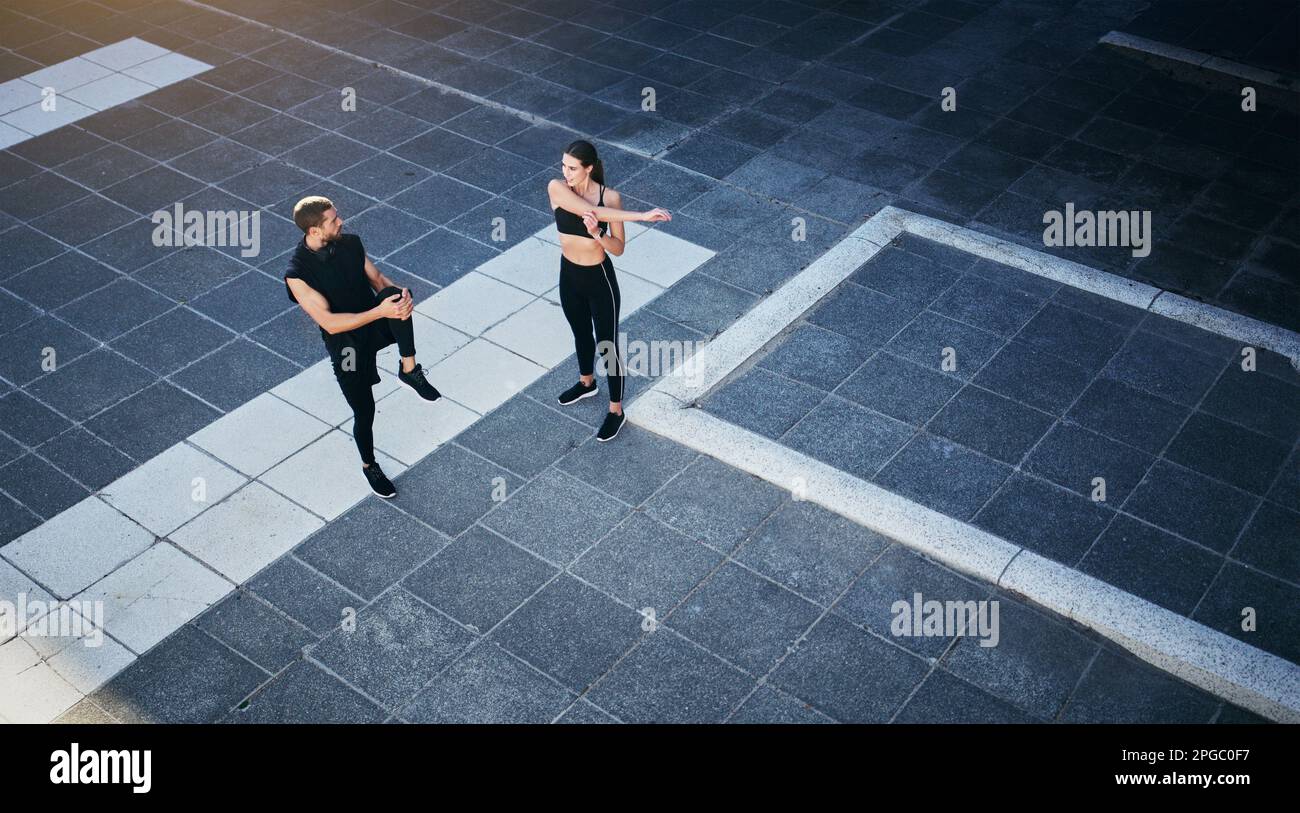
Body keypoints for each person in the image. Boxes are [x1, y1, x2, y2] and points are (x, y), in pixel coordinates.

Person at [283, 196, 441, 498]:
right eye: (332, 220)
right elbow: (329, 322)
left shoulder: (350, 243)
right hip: (346, 344)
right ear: (314, 231)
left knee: (393, 294)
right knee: (364, 410)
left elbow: (378, 279)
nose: (340, 222)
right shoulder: (297, 274)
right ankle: (370, 465)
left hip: (374, 320)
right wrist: (380, 312)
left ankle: (409, 370)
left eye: (337, 216)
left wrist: (400, 298)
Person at [548, 140, 671, 441]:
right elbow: (590, 210)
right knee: (580, 333)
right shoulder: (557, 188)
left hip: (599, 279)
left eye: (573, 168)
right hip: (569, 275)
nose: (566, 172)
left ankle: (616, 410)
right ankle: (586, 383)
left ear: (589, 168)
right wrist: (641, 215)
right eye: (564, 165)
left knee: (607, 345)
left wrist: (597, 233)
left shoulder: (611, 198)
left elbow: (618, 249)